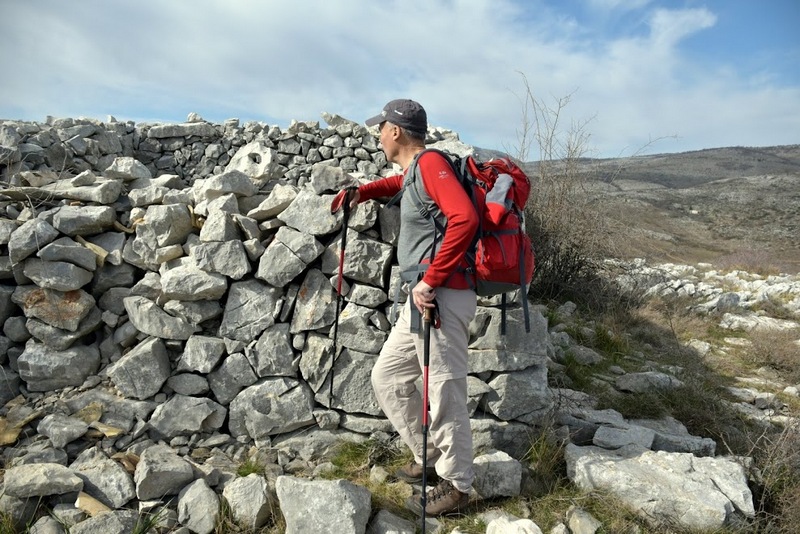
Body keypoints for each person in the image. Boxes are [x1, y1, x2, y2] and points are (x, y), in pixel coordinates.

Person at [331, 99, 479, 517]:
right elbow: (399, 185)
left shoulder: (431, 163)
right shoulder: (417, 171)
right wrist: (362, 192)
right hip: (424, 297)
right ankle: (428, 455)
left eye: (381, 128)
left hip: (440, 296)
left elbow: (465, 218)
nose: (378, 136)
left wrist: (431, 280)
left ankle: (457, 485)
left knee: (444, 390)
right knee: (388, 376)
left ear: (395, 131)